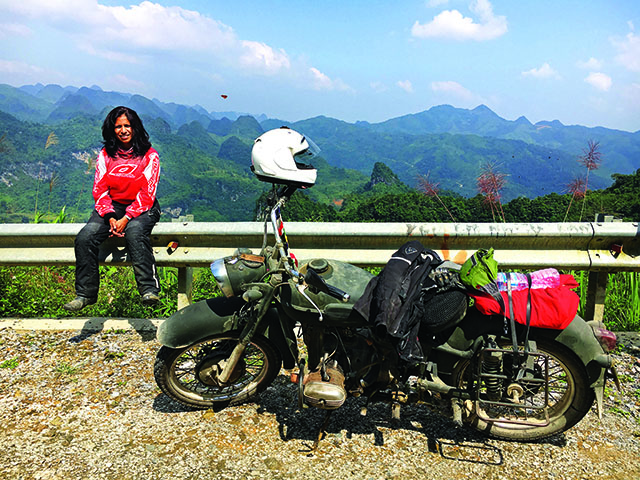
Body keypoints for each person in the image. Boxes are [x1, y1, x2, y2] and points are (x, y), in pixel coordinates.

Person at [63, 106, 161, 312]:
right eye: (118, 126)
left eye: (128, 125)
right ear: (111, 129)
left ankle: (148, 290)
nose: (123, 130)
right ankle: (85, 294)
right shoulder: (106, 155)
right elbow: (99, 189)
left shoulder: (150, 156)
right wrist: (109, 217)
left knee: (134, 232)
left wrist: (126, 219)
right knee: (85, 237)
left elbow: (147, 193)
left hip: (143, 206)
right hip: (112, 205)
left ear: (135, 128)